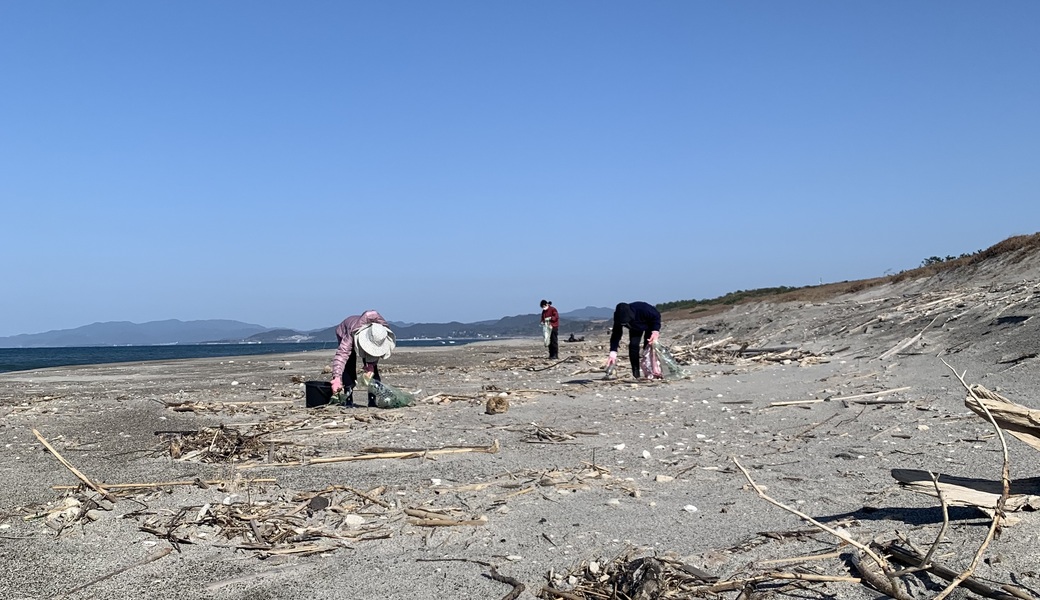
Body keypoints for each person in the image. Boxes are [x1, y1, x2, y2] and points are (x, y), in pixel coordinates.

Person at [329, 310, 397, 406]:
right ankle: (348, 398)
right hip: (345, 331)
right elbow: (341, 355)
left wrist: (371, 365)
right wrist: (336, 377)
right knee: (349, 364)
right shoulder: (350, 335)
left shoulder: (380, 331)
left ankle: (372, 400)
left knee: (373, 371)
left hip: (370, 335)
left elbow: (377, 350)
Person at [606, 301, 661, 379]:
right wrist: (613, 351)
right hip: (635, 328)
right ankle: (636, 373)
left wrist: (655, 330)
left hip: (649, 324)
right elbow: (616, 333)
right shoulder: (618, 316)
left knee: (648, 347)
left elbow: (656, 316)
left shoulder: (644, 309)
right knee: (633, 346)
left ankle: (651, 371)